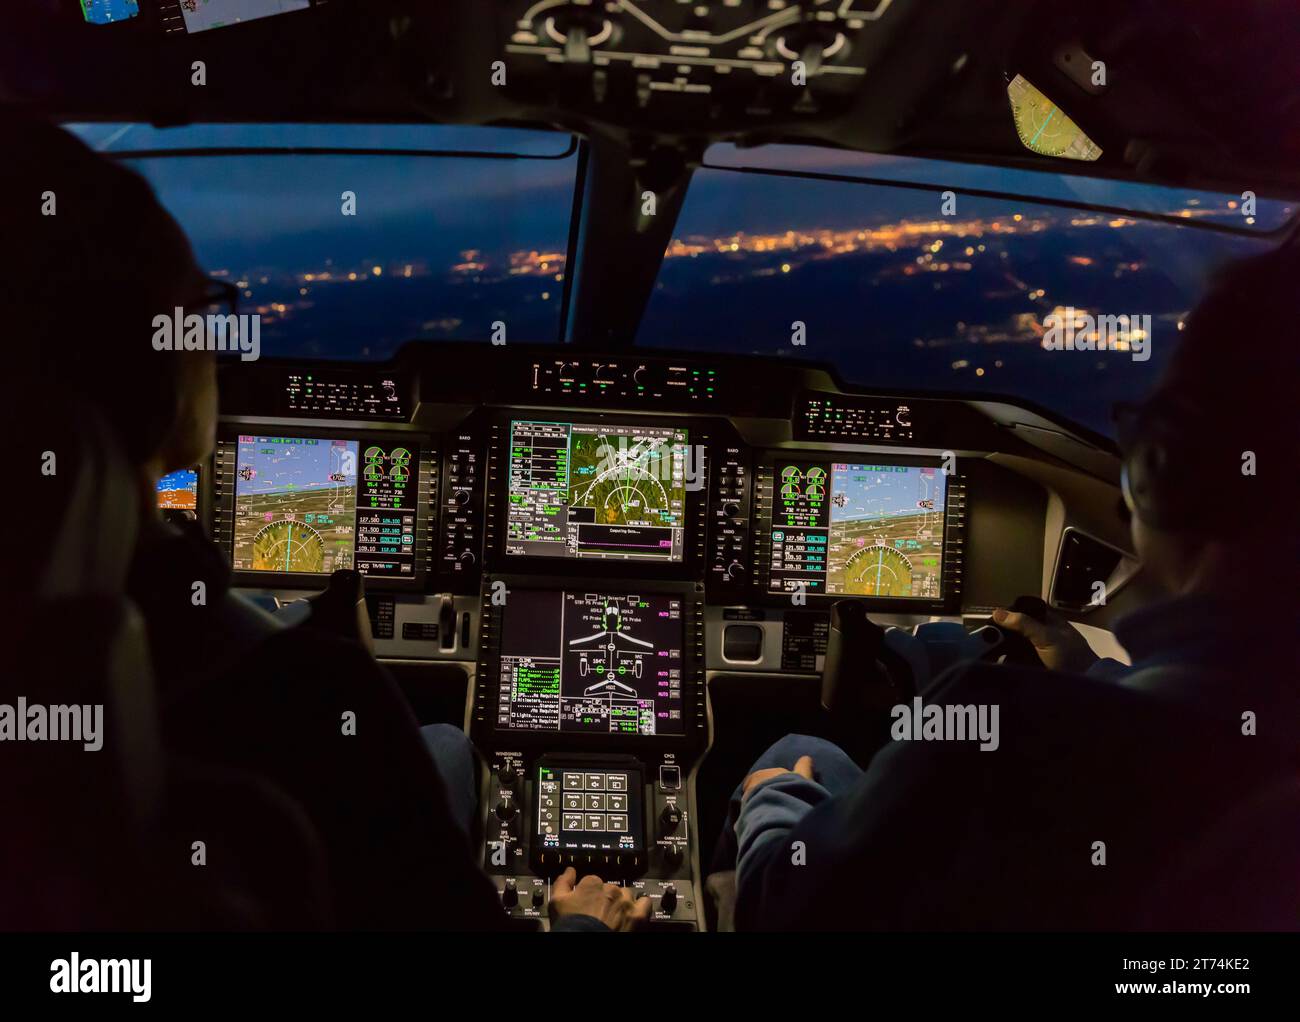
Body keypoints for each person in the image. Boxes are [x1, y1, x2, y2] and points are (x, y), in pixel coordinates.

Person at [8, 116, 649, 931]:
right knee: (442, 743)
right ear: (151, 378)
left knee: (450, 746)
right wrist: (582, 923)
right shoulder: (314, 711)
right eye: (199, 313)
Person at [723, 248, 1300, 930]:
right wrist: (1090, 671)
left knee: (790, 758)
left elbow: (778, 909)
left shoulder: (1009, 725)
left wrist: (768, 801)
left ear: (1163, 470)